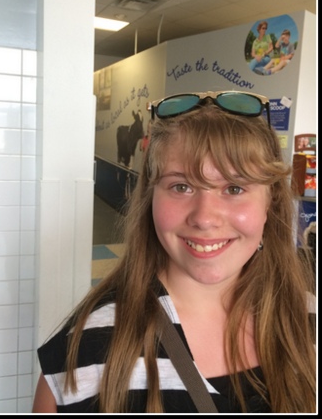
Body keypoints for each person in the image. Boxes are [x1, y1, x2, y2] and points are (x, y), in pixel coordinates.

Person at [32, 91, 316, 414]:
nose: (204, 217)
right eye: (181, 186)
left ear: (271, 204)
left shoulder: (307, 324)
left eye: (234, 188)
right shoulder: (86, 356)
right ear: (150, 197)